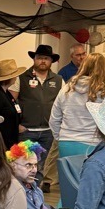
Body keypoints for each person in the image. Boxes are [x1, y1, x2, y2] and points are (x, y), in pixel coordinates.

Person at [17, 44, 63, 186]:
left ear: (51, 61)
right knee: (23, 164)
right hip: (26, 131)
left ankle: (36, 192)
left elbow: (64, 103)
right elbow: (11, 102)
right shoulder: (22, 78)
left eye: (46, 58)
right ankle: (22, 193)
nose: (42, 61)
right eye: (39, 58)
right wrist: (16, 125)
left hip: (48, 132)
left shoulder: (59, 80)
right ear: (34, 59)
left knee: (41, 166)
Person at [49, 52, 105, 157]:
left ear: (83, 66)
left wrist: (61, 137)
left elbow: (54, 120)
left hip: (66, 143)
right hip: (92, 144)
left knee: (66, 174)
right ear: (104, 69)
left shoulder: (66, 89)